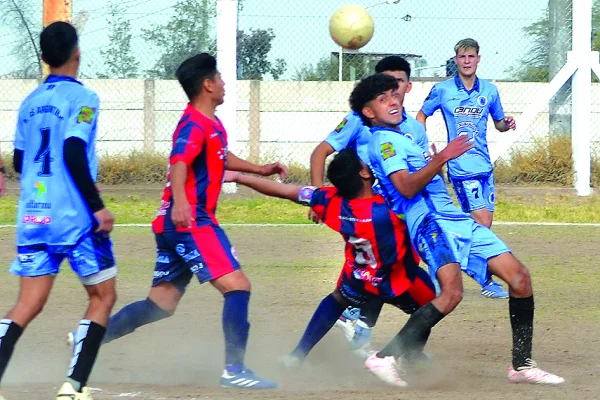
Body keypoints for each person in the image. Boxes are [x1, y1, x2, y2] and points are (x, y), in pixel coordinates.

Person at [77, 53, 286, 389]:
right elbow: (179, 161)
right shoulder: (194, 124)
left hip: (176, 223)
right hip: (192, 222)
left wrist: (259, 169)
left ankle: (86, 341)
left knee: (160, 305)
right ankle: (235, 371)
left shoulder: (209, 123)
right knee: (238, 287)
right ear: (207, 84)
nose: (223, 83)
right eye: (219, 77)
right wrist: (182, 201)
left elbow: (219, 156)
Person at [352, 73, 563, 385]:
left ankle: (521, 365)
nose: (393, 102)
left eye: (393, 95)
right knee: (451, 294)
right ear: (368, 112)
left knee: (519, 278)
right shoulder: (384, 142)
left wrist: (434, 158)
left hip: (456, 219)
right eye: (382, 100)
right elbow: (406, 188)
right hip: (430, 222)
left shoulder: (404, 135)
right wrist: (443, 158)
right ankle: (385, 357)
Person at [226, 148, 436, 387]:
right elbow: (416, 191)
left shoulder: (329, 200)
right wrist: (435, 162)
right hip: (398, 279)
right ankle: (408, 356)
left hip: (359, 274)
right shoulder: (388, 207)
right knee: (431, 308)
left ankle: (297, 355)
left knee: (337, 299)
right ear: (364, 173)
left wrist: (240, 177)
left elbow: (284, 191)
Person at [0, 21, 117, 400]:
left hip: (34, 214)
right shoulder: (84, 99)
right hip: (75, 217)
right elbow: (71, 150)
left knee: (27, 304)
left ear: (44, 58)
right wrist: (97, 207)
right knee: (102, 296)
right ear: (77, 54)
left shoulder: (30, 102)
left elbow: (20, 160)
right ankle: (73, 386)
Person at [308, 55, 433, 358]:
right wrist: (316, 195)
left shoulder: (414, 130)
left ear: (407, 86)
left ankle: (363, 326)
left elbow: (416, 172)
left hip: (401, 212)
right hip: (371, 212)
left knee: (400, 273)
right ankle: (361, 326)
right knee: (383, 273)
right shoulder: (357, 121)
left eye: (399, 83)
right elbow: (320, 152)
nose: (394, 90)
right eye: (386, 86)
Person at [416, 38, 516, 299]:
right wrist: (423, 147)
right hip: (461, 168)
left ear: (478, 59)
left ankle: (441, 257)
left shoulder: (490, 91)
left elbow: (498, 124)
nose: (467, 61)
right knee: (481, 222)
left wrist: (506, 123)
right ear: (456, 60)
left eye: (471, 56)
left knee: (485, 226)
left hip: (485, 166)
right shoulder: (443, 90)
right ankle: (485, 280)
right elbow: (421, 115)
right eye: (462, 57)